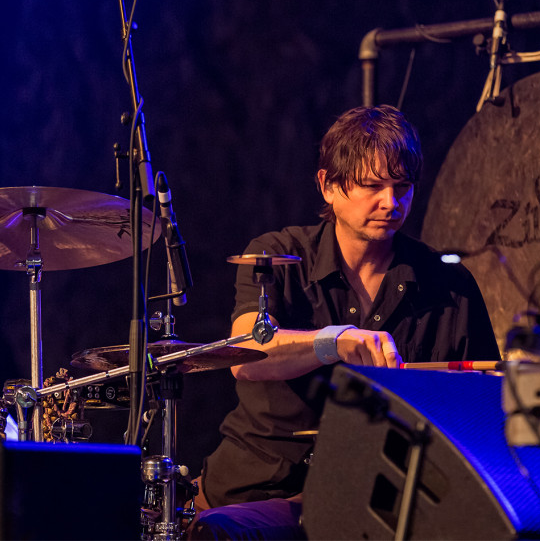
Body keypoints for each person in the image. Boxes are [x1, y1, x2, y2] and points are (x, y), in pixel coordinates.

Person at [189, 105, 500, 539]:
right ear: (328, 185)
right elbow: (245, 355)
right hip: (260, 489)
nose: (391, 203)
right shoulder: (277, 256)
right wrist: (330, 342)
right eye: (373, 186)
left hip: (383, 496)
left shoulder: (449, 285)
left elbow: (485, 403)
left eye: (403, 187)